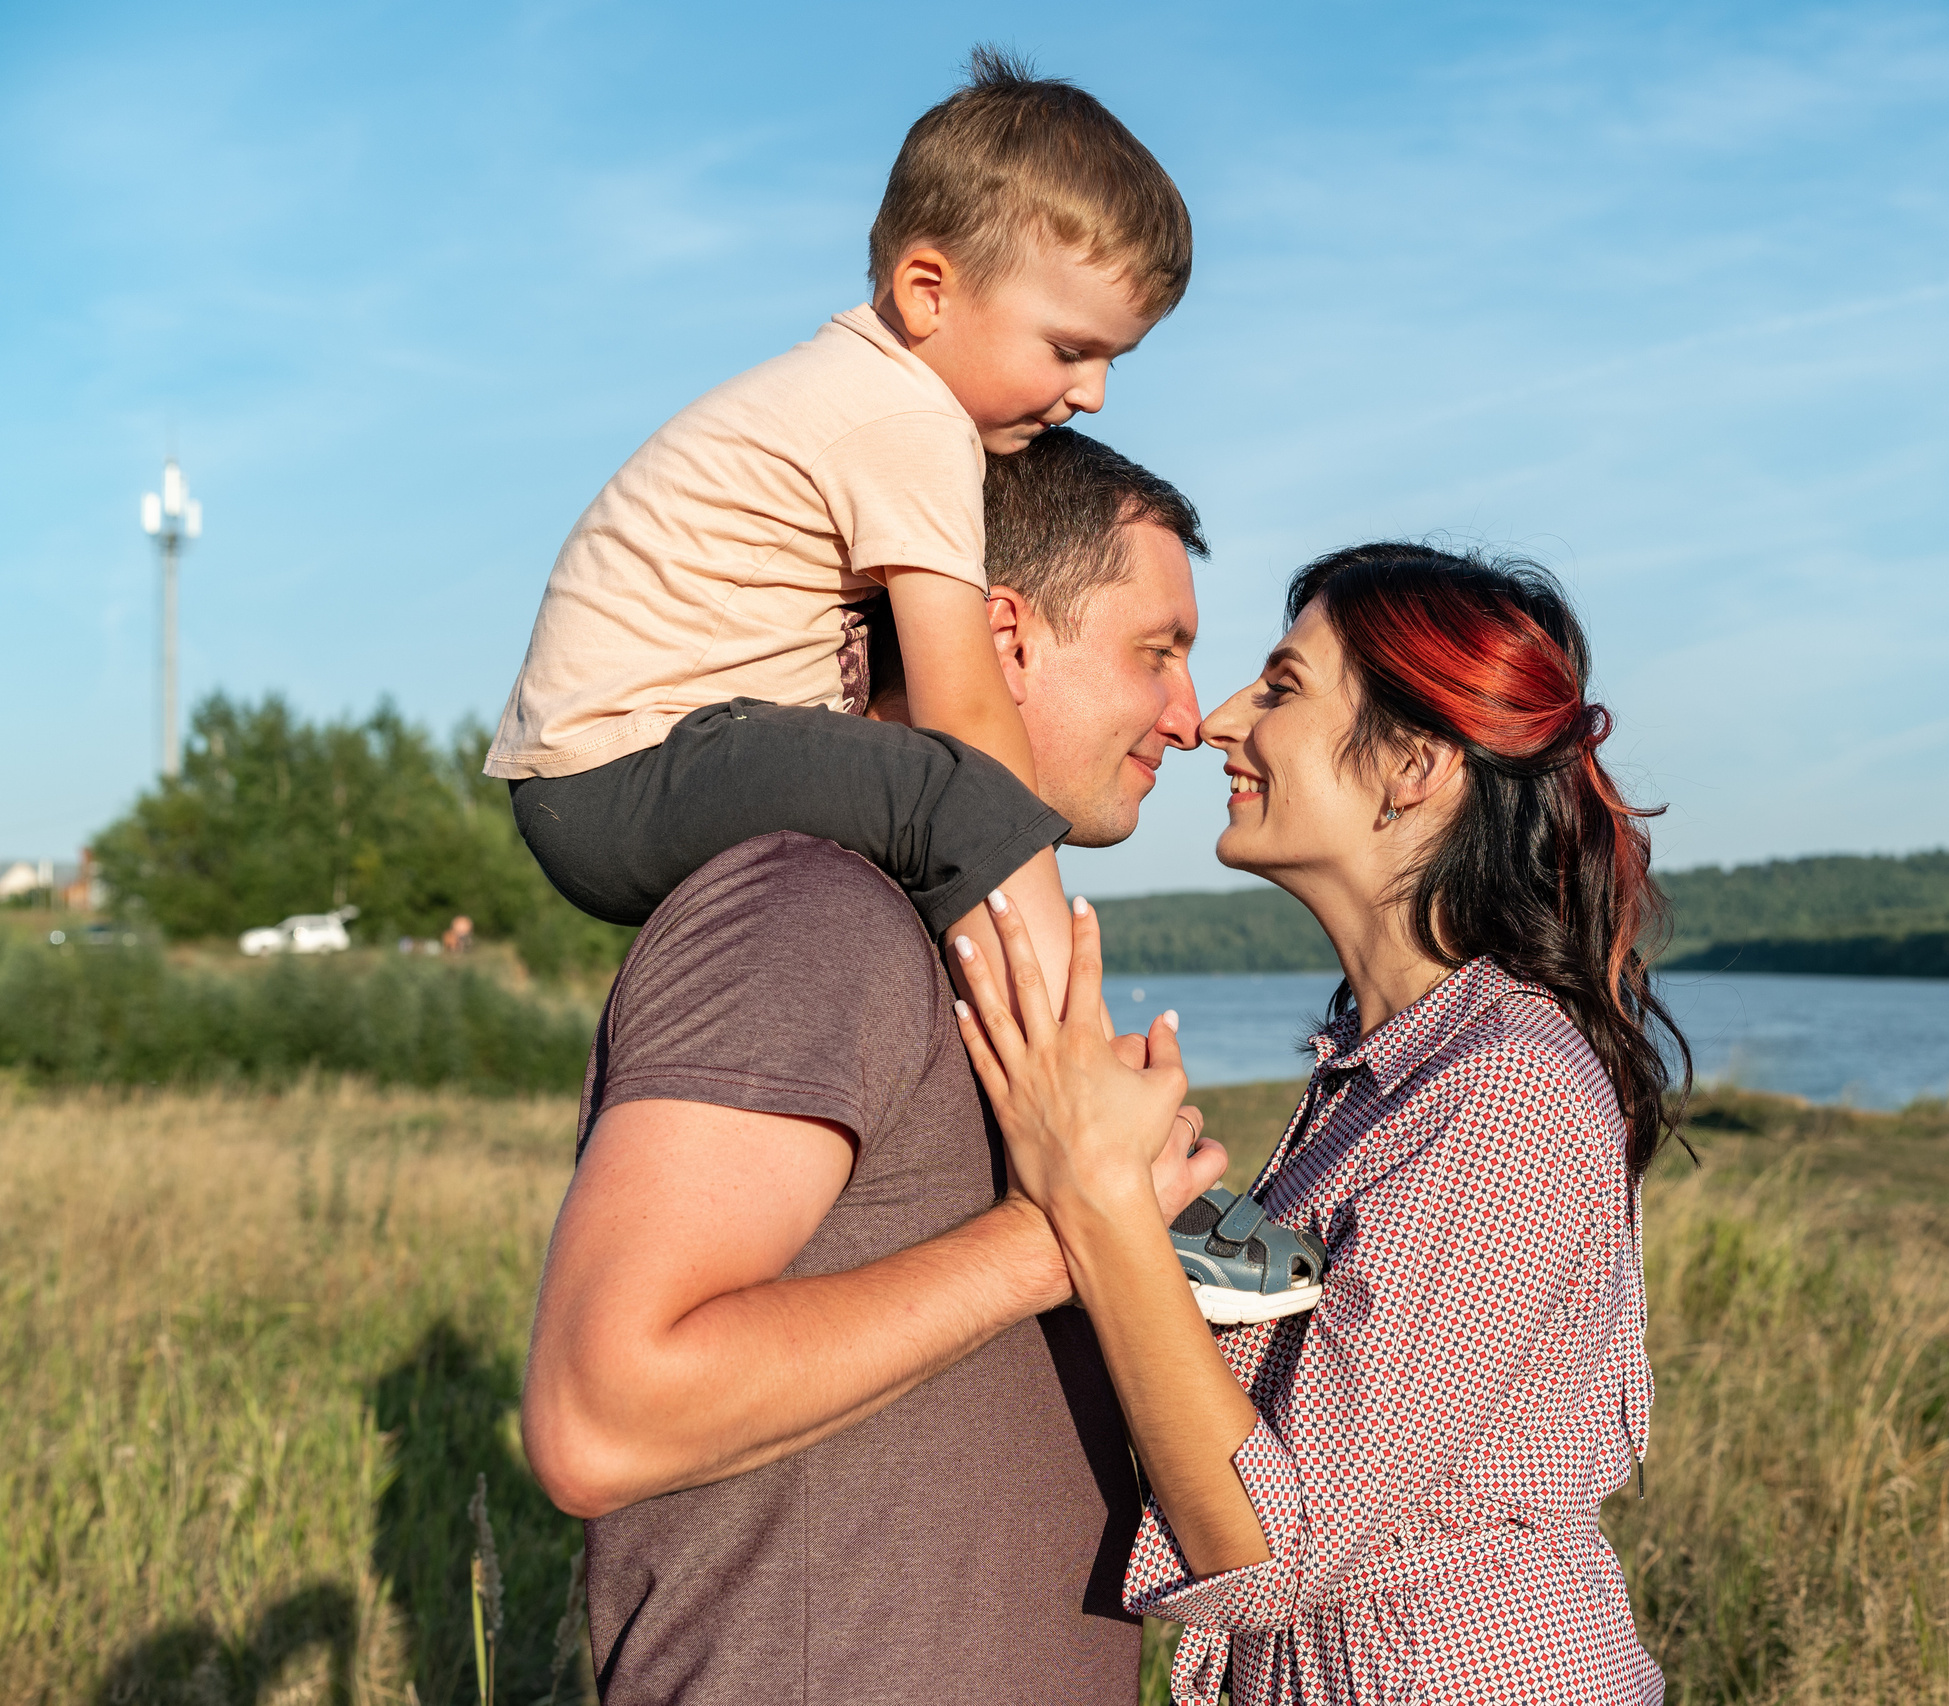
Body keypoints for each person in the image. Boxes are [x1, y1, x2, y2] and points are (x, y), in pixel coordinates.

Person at [517, 431, 1229, 1704]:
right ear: (1002, 637)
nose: (1188, 714)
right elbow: (601, 1412)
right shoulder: (812, 910)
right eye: (1157, 649)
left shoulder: (933, 932)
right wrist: (1060, 1236)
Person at [950, 543, 1689, 1704]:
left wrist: (1103, 1207)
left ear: (1411, 764)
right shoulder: (1385, 1064)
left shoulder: (1507, 1088)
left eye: (1281, 687)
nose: (1220, 722)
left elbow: (1266, 1545)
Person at [485, 48, 1192, 1005]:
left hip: (617, 781)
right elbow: (968, 715)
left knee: (913, 813)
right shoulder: (908, 421)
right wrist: (1040, 932)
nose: (1094, 394)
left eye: (1117, 360)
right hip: (628, 766)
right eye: (1071, 350)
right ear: (928, 291)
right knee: (952, 789)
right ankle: (1062, 1049)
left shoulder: (853, 393)